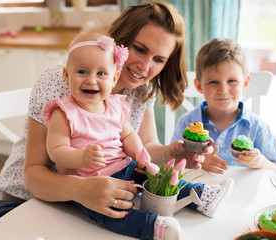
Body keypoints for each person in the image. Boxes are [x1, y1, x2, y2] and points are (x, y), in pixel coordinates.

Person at [0, 1, 215, 222]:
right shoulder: (63, 81)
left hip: (81, 206)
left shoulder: (141, 90)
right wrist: (80, 189)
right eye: (139, 49)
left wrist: (175, 152)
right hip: (26, 202)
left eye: (158, 59)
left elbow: (144, 147)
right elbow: (34, 174)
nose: (145, 67)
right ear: (119, 41)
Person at [42, 27, 233, 239]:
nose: (91, 80)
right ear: (67, 75)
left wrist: (140, 155)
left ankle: (201, 195)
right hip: (92, 183)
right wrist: (82, 156)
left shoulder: (114, 105)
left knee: (160, 178)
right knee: (111, 213)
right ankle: (153, 228)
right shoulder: (64, 112)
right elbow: (56, 151)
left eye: (101, 73)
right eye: (82, 72)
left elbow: (128, 135)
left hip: (127, 166)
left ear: (113, 79)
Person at [171, 38, 276, 174]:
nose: (223, 90)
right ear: (199, 86)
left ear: (245, 83)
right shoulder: (187, 122)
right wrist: (195, 159)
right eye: (213, 82)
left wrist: (261, 162)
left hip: (244, 193)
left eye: (232, 81)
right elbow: (172, 161)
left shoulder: (257, 127)